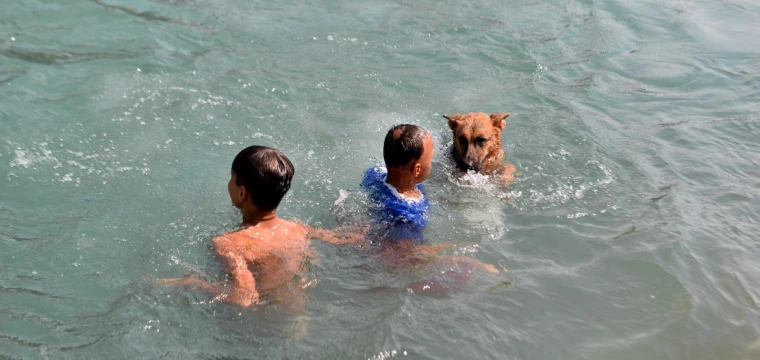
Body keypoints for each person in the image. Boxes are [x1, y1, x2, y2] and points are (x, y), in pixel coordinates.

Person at [158, 145, 361, 309]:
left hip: (263, 325)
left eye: (231, 178)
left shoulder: (229, 243)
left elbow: (244, 298)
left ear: (242, 193)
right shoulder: (298, 229)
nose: (229, 183)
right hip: (300, 314)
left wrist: (194, 284)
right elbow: (344, 238)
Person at [360, 125, 499, 294]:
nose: (432, 161)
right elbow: (411, 255)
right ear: (417, 169)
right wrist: (463, 259)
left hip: (377, 223)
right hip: (391, 253)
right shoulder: (406, 214)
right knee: (466, 270)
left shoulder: (375, 174)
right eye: (431, 157)